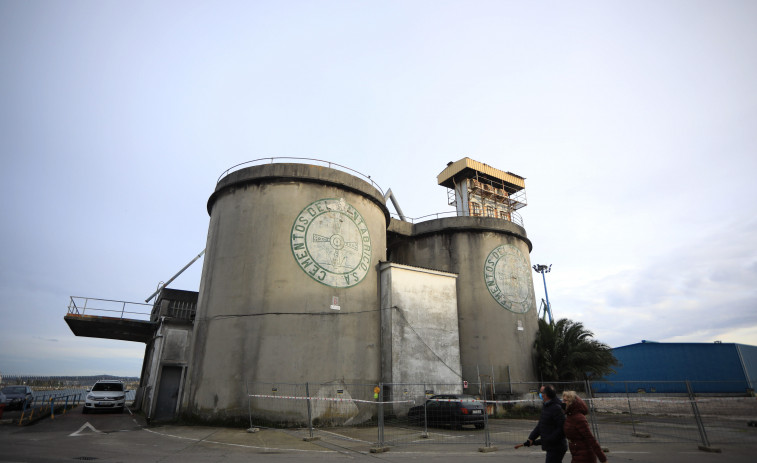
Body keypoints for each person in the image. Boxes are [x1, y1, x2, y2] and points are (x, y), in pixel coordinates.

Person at [515, 385, 568, 463]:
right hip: (550, 446)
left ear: (546, 395)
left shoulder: (556, 407)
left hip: (556, 446)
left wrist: (549, 439)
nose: (541, 394)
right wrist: (531, 438)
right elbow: (541, 425)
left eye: (542, 392)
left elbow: (562, 428)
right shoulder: (546, 406)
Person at [562, 391, 607, 463]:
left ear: (571, 402)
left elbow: (590, 438)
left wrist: (603, 459)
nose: (563, 402)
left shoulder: (579, 418)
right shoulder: (570, 416)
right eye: (563, 400)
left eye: (565, 400)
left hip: (584, 456)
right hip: (577, 453)